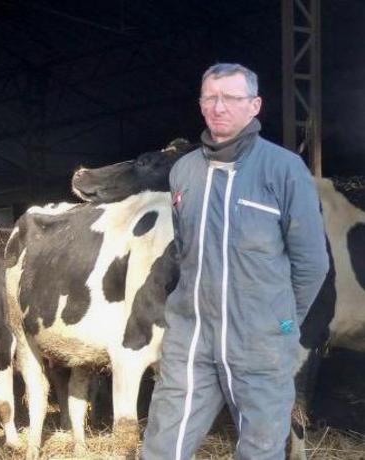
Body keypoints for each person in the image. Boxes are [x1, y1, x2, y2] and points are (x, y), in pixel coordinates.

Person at [141, 63, 329, 459]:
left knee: (260, 449)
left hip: (260, 342)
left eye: (231, 98)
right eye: (210, 97)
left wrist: (281, 321)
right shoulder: (184, 172)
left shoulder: (284, 170)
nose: (219, 107)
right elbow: (185, 251)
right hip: (191, 338)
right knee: (162, 447)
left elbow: (312, 263)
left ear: (254, 105)